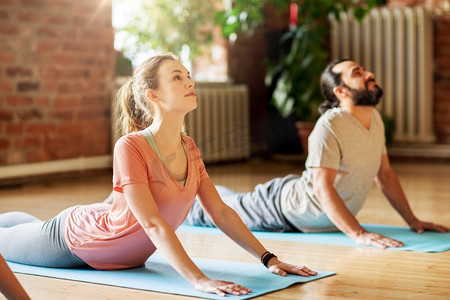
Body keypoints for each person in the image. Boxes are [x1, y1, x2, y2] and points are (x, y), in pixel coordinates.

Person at [0, 53, 316, 297]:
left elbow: (219, 212)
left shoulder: (190, 147)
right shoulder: (130, 146)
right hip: (74, 242)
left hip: (111, 239)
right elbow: (152, 223)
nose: (190, 82)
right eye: (177, 77)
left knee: (25, 225)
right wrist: (199, 280)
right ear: (153, 95)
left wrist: (268, 258)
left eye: (189, 76)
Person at [186, 58, 450, 249]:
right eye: (358, 73)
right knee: (209, 213)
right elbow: (323, 189)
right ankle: (177, 198)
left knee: (229, 200)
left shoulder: (376, 120)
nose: (369, 74)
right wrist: (358, 234)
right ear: (341, 91)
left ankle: (202, 190)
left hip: (304, 204)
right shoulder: (330, 125)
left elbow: (386, 175)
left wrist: (413, 220)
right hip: (282, 209)